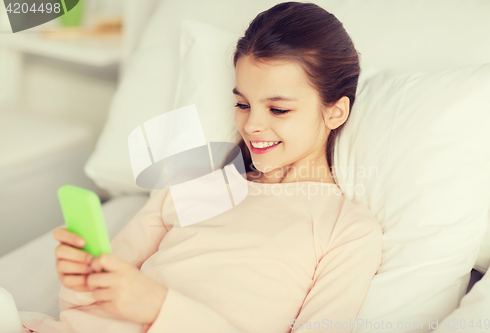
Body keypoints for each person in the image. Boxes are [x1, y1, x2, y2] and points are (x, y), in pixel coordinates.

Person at [21, 2, 382, 332]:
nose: (252, 125)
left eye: (278, 109)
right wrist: (83, 278)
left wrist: (159, 307)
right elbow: (90, 307)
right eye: (243, 104)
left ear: (335, 111)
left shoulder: (347, 230)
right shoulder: (200, 185)